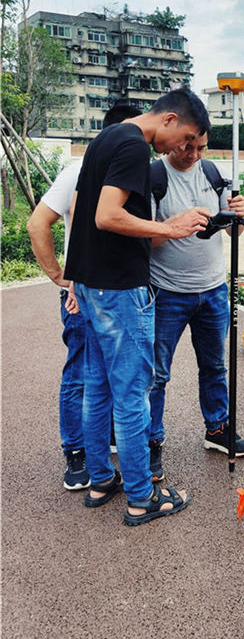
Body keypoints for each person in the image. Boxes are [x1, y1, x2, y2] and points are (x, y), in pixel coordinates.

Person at [64, 88, 211, 526]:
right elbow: (106, 216)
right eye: (184, 138)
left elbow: (81, 211)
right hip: (120, 288)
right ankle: (142, 497)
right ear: (167, 119)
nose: (182, 149)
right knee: (131, 395)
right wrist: (168, 227)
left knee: (99, 387)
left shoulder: (105, 138)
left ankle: (100, 479)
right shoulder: (132, 145)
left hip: (92, 283)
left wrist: (75, 278)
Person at [27, 103, 140, 490]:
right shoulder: (79, 170)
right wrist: (58, 276)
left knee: (107, 377)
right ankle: (75, 453)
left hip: (114, 287)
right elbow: (38, 222)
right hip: (86, 290)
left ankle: (99, 450)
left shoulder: (125, 169)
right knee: (83, 373)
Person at [147, 132, 244, 482]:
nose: (193, 154)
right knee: (156, 374)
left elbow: (232, 233)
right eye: (186, 146)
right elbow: (144, 236)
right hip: (167, 292)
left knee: (214, 366)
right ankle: (150, 442)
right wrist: (173, 227)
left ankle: (217, 429)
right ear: (170, 140)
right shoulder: (154, 177)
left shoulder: (212, 172)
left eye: (201, 147)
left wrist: (238, 214)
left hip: (213, 290)